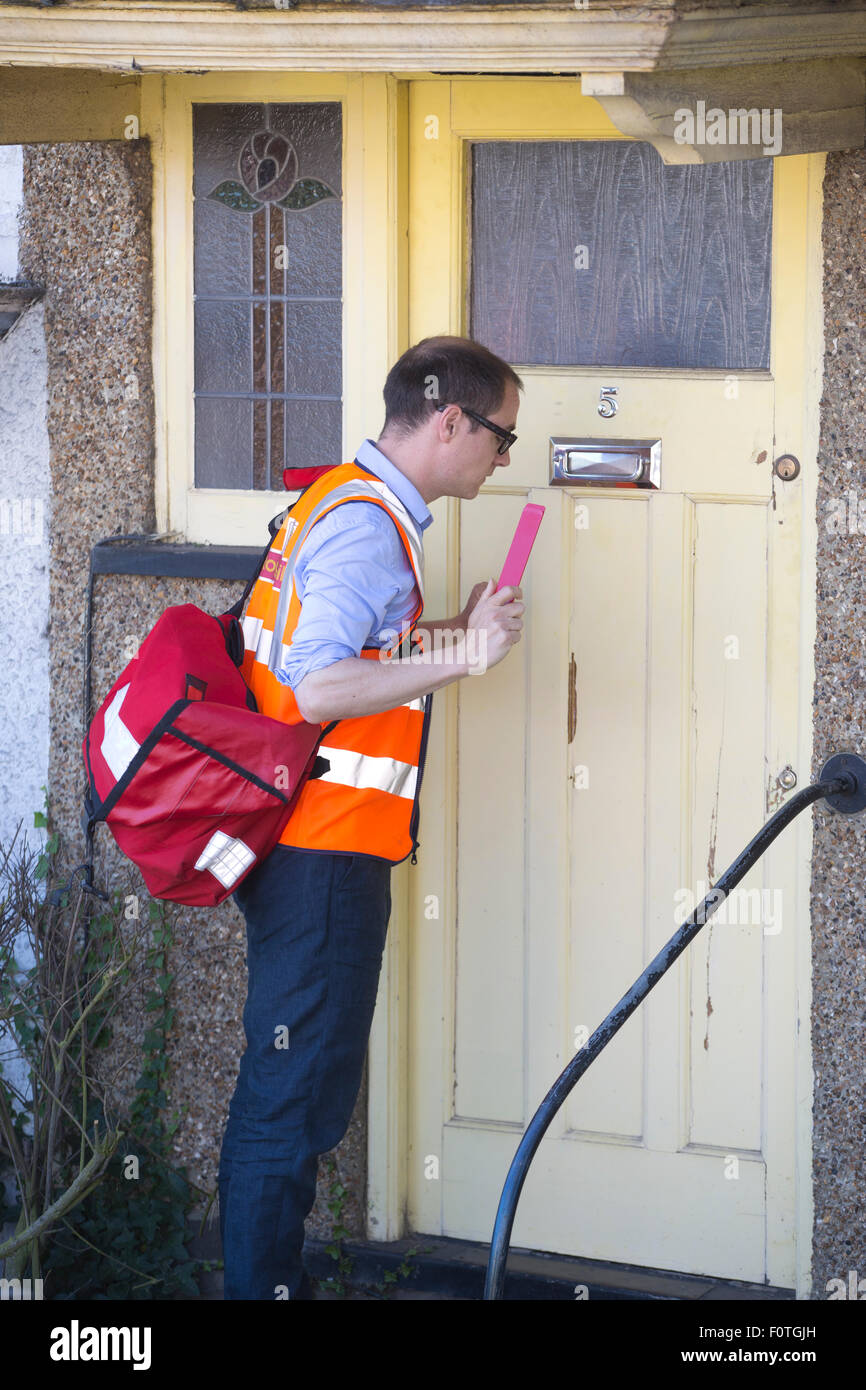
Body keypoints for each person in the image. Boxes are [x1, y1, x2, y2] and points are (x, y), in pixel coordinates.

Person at [217, 334, 525, 1299]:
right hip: (322, 856)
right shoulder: (365, 527)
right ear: (449, 421)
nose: (504, 458)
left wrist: (446, 637)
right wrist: (465, 659)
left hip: (308, 846)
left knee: (286, 1090)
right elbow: (316, 688)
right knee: (292, 1101)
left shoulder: (346, 499)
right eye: (502, 438)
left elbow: (352, 652)